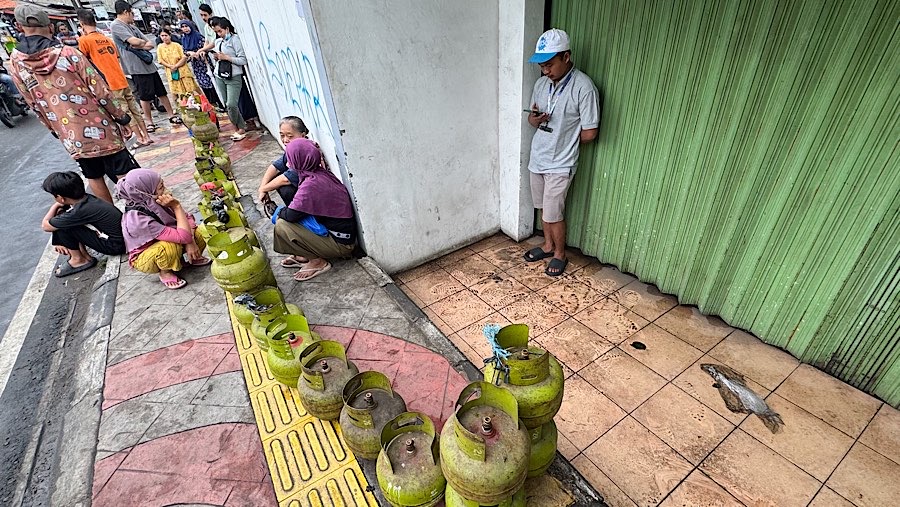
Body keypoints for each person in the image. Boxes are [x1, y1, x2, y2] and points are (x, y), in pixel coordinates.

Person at [8, 4, 137, 204]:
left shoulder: (16, 62)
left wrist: (53, 128)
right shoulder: (68, 53)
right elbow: (99, 89)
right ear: (50, 27)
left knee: (94, 176)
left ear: (19, 27)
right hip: (102, 128)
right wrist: (121, 117)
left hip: (71, 135)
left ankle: (111, 218)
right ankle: (140, 214)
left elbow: (33, 103)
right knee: (124, 173)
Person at [523, 28, 598, 277]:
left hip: (561, 163)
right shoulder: (541, 84)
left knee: (554, 213)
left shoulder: (584, 87)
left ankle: (559, 254)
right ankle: (547, 245)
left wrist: (564, 139)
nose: (545, 71)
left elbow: (590, 133)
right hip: (538, 157)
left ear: (566, 57)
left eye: (549, 65)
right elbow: (532, 120)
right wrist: (535, 119)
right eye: (542, 66)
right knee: (543, 208)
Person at [273, 139, 357, 281]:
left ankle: (317, 262)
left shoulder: (311, 185)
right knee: (289, 211)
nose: (288, 163)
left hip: (342, 244)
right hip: (340, 234)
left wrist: (277, 211)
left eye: (290, 159)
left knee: (282, 224)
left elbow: (290, 215)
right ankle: (304, 254)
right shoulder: (318, 173)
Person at [117, 169, 210, 289]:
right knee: (169, 247)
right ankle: (165, 272)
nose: (167, 190)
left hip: (173, 238)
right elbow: (183, 236)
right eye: (161, 187)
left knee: (202, 231)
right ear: (147, 192)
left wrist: (191, 241)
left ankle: (188, 259)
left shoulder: (155, 201)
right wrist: (177, 207)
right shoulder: (138, 220)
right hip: (147, 256)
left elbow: (188, 218)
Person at [77, 8, 153, 147]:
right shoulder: (106, 39)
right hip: (121, 78)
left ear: (81, 24)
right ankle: (146, 136)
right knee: (134, 109)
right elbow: (116, 56)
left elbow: (83, 63)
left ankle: (140, 138)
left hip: (109, 82)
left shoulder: (84, 41)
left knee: (125, 111)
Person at [110, 1, 181, 133]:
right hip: (136, 67)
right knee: (145, 95)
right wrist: (138, 43)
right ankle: (149, 122)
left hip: (148, 64)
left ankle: (171, 115)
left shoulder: (133, 27)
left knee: (161, 92)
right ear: (126, 12)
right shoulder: (116, 25)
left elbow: (149, 44)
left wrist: (138, 44)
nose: (133, 16)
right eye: (132, 13)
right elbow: (134, 41)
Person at [41, 171, 126, 277]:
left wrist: (55, 205)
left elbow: (46, 226)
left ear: (61, 197)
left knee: (62, 224)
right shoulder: (86, 199)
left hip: (115, 246)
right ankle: (83, 256)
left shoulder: (79, 211)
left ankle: (78, 260)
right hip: (122, 239)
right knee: (62, 218)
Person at [208, 16, 247, 141]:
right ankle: (239, 127)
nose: (219, 34)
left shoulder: (235, 40)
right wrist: (217, 57)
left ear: (227, 29)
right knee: (226, 104)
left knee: (231, 104)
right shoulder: (219, 41)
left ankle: (239, 126)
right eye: (216, 32)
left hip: (233, 75)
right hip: (220, 74)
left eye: (220, 31)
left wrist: (227, 58)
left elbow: (243, 60)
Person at [258, 116, 309, 206]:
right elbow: (275, 167)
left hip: (311, 192)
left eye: (290, 136)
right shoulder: (292, 150)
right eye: (282, 135)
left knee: (284, 187)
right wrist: (262, 187)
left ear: (303, 135)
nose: (285, 140)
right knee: (275, 177)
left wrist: (263, 189)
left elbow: (286, 179)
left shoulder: (305, 152)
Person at [179, 19, 222, 109]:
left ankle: (220, 103)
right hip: (196, 65)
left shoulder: (198, 36)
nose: (185, 29)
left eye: (186, 26)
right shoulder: (184, 39)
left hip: (204, 63)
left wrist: (201, 52)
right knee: (203, 84)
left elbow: (207, 47)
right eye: (182, 27)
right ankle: (212, 105)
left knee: (211, 83)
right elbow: (184, 51)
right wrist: (190, 53)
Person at [156, 28, 199, 96]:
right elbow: (160, 60)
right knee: (178, 94)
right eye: (162, 36)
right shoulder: (160, 47)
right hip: (171, 72)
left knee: (191, 90)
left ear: (170, 35)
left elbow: (184, 57)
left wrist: (176, 66)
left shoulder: (177, 45)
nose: (164, 37)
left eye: (166, 35)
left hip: (183, 70)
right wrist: (171, 66)